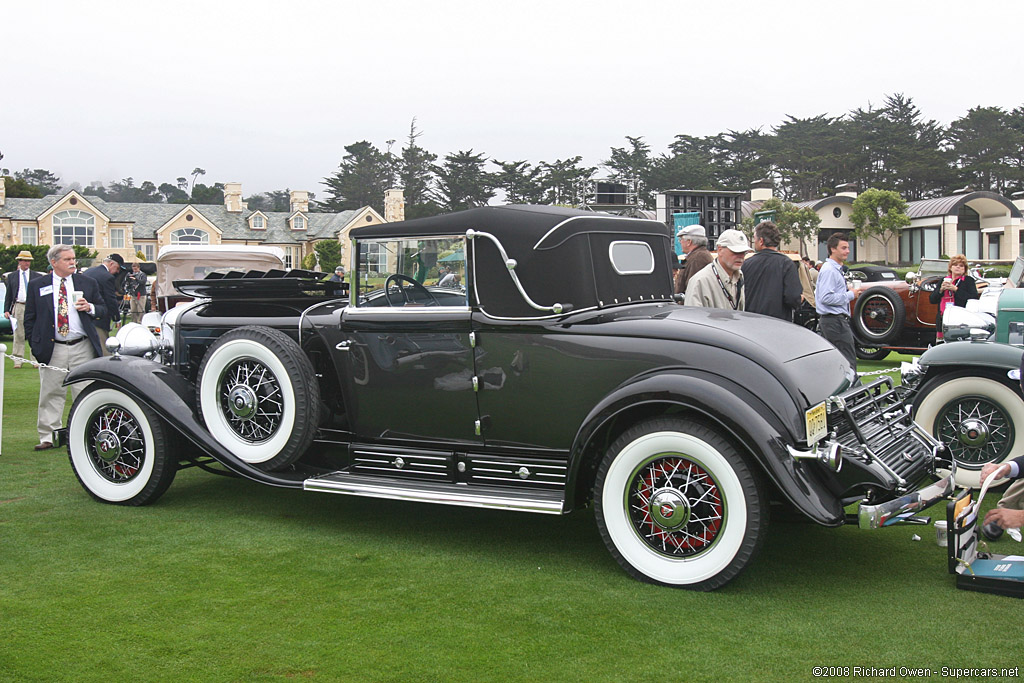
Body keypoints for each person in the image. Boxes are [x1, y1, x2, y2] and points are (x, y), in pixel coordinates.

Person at [25, 244, 106, 451]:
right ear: (54, 262)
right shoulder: (37, 285)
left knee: (85, 392)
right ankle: (48, 436)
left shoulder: (87, 282)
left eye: (73, 259)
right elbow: (30, 318)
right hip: (53, 348)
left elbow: (105, 309)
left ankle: (87, 435)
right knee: (51, 393)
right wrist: (35, 345)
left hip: (82, 346)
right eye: (67, 259)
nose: (73, 262)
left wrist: (91, 308)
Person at [740, 221, 802, 321]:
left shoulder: (746, 264)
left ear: (761, 241)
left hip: (750, 322)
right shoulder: (787, 264)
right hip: (778, 323)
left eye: (754, 239)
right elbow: (792, 297)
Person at [815, 232, 858, 370]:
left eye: (848, 247)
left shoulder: (833, 269)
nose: (848, 251)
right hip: (834, 321)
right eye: (844, 248)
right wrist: (850, 294)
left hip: (834, 321)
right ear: (833, 249)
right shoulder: (830, 271)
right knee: (848, 363)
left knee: (839, 363)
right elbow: (826, 298)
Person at [684, 229, 752, 310]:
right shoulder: (700, 281)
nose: (741, 257)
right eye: (736, 252)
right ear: (720, 250)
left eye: (744, 252)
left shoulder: (739, 276)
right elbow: (693, 318)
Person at [3, 250, 46, 368]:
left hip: (34, 307)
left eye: (29, 261)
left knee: (35, 332)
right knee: (19, 334)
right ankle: (18, 360)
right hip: (19, 306)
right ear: (19, 261)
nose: (27, 263)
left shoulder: (37, 276)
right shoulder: (12, 276)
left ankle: (36, 360)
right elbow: (9, 294)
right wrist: (6, 310)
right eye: (25, 261)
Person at [928, 254, 979, 341]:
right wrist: (940, 290)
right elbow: (932, 300)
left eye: (961, 266)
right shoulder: (943, 280)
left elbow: (973, 298)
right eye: (955, 265)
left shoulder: (968, 280)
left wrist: (955, 289)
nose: (958, 267)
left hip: (961, 319)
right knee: (940, 343)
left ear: (965, 269)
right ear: (950, 268)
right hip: (943, 318)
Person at [82, 253, 124, 353]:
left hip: (84, 317)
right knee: (104, 350)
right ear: (112, 264)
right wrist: (116, 318)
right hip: (100, 318)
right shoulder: (107, 277)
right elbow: (110, 300)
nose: (117, 272)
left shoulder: (88, 271)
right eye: (117, 268)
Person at [673, 224, 713, 297]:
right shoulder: (698, 255)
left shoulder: (698, 258)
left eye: (681, 240)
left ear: (689, 242)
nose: (680, 242)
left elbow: (692, 288)